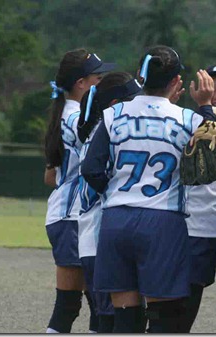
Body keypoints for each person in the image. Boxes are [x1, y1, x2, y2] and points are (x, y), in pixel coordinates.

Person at [81, 45, 213, 333]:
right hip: (163, 220)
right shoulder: (190, 119)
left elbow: (90, 168)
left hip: (116, 219)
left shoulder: (113, 114)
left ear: (140, 76)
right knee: (164, 317)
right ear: (177, 82)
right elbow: (214, 162)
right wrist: (205, 107)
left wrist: (115, 192)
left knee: (125, 317)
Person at [43, 49, 115, 334]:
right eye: (98, 77)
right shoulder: (77, 119)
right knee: (93, 306)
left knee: (75, 304)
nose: (102, 81)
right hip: (74, 217)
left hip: (66, 214)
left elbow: (50, 176)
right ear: (82, 83)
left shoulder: (66, 113)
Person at [77, 72, 142, 333]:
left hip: (96, 240)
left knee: (108, 320)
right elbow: (92, 173)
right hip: (99, 239)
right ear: (115, 105)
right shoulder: (107, 134)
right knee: (111, 322)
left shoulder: (101, 130)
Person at [178, 64, 216, 333]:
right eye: (211, 89)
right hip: (196, 226)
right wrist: (205, 109)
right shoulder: (187, 120)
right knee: (183, 309)